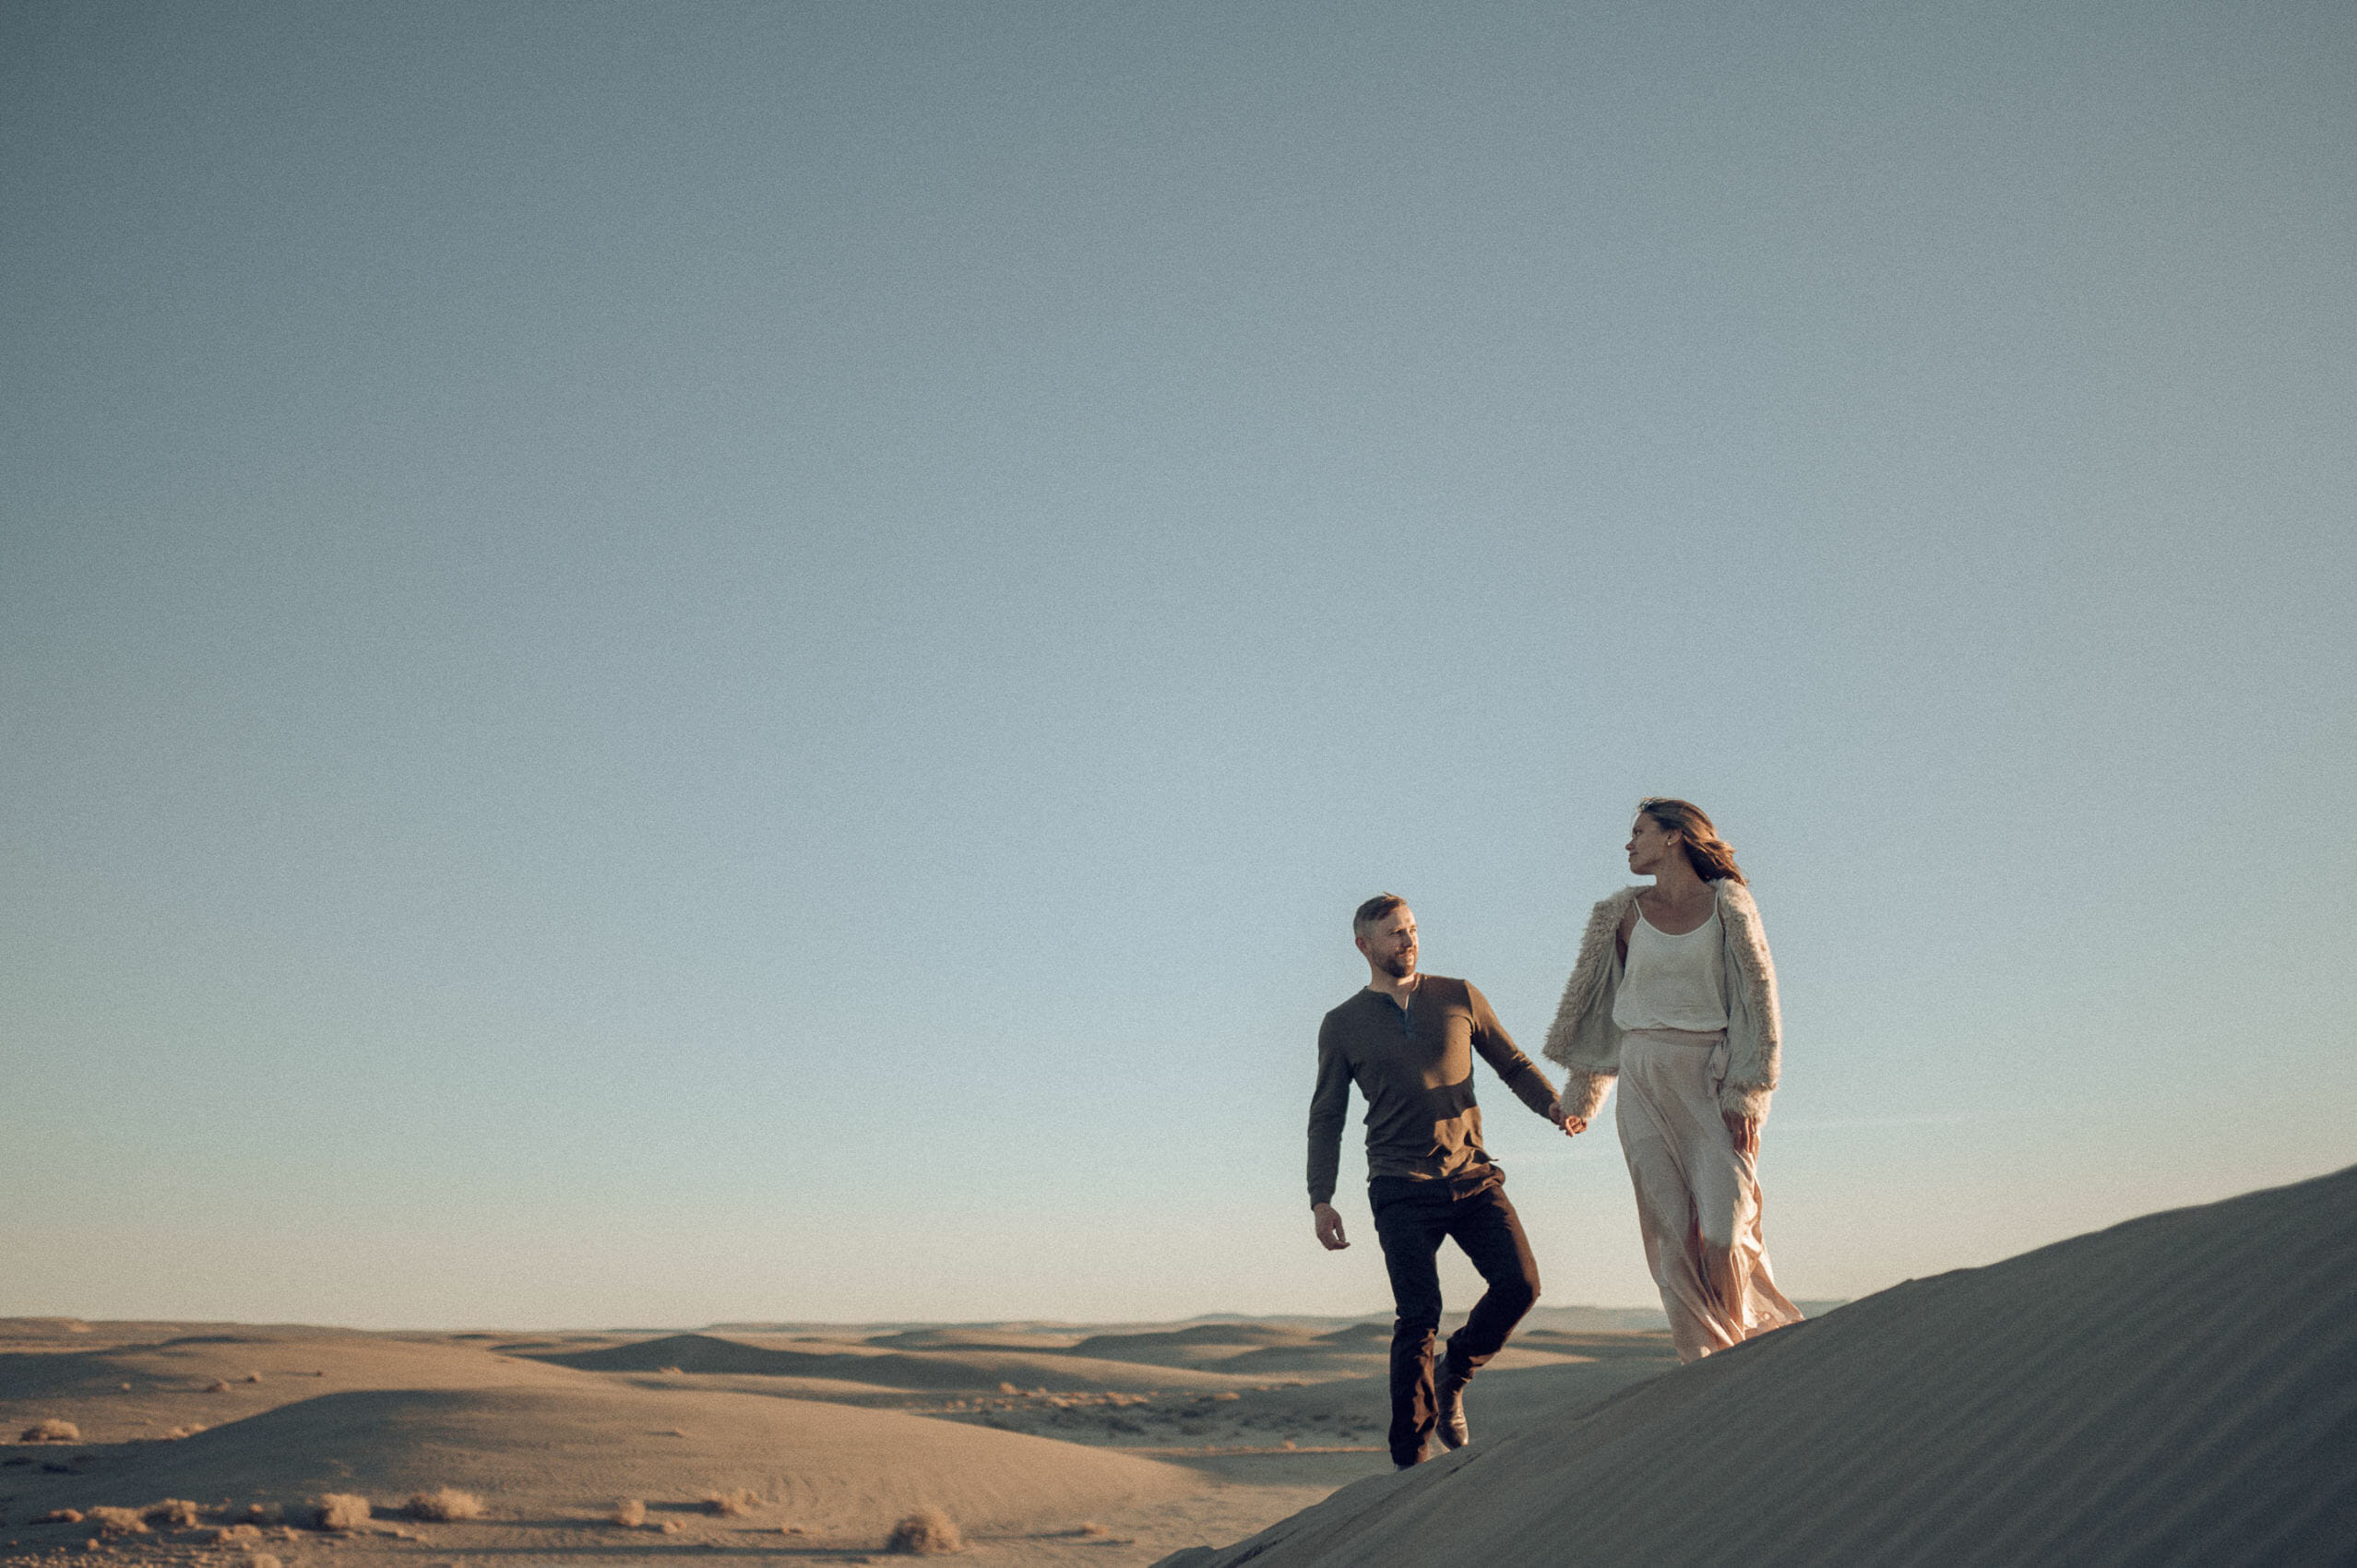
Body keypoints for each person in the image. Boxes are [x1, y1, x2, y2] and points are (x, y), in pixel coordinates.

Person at [1308, 894, 1580, 1468]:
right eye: (1393, 934)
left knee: (1521, 1285)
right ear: (1364, 946)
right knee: (1418, 1316)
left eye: (1410, 929)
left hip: (1471, 1175)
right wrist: (1322, 1198)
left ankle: (1455, 1373)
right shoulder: (1342, 1025)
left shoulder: (1458, 996)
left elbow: (1512, 1063)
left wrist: (1554, 1107)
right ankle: (1410, 1463)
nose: (1407, 941)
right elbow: (1326, 1114)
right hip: (1399, 1185)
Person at [1543, 799, 1803, 1362]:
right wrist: (1583, 1095)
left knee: (1722, 1229)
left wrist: (1749, 1093)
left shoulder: (1729, 905)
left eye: (1639, 832)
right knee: (1670, 1230)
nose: (1628, 843)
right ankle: (1704, 1362)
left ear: (1674, 838)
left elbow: (1759, 1003)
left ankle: (1746, 1349)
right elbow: (1598, 1009)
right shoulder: (1622, 915)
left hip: (1711, 1074)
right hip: (1641, 1076)